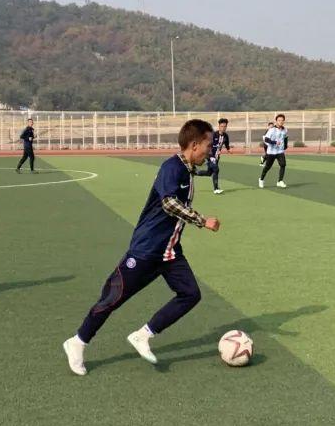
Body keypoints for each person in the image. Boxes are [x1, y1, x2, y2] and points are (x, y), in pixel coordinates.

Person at [62, 119, 221, 376]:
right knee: (113, 297)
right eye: (208, 144)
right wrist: (202, 221)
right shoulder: (172, 167)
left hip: (169, 252)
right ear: (194, 144)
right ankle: (78, 341)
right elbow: (169, 203)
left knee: (190, 294)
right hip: (147, 249)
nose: (210, 149)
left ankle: (143, 335)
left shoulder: (186, 169)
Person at [195, 117, 231, 193]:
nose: (223, 128)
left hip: (217, 157)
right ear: (219, 126)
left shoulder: (225, 136)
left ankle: (195, 172)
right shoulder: (214, 135)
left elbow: (227, 145)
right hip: (209, 156)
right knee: (216, 169)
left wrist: (229, 150)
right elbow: (207, 145)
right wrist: (210, 156)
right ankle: (216, 189)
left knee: (209, 173)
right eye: (222, 126)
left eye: (225, 126)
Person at [259, 114, 289, 189]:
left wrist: (285, 146)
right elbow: (266, 139)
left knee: (283, 164)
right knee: (267, 167)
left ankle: (280, 181)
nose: (281, 122)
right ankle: (261, 179)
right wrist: (274, 142)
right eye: (279, 120)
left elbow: (285, 137)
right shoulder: (272, 130)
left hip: (280, 151)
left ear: (284, 121)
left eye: (282, 120)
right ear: (276, 121)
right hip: (271, 151)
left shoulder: (285, 130)